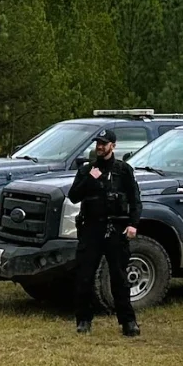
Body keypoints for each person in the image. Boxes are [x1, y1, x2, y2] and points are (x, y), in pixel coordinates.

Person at [67, 128, 143, 337]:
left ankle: (128, 322)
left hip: (116, 229)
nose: (100, 147)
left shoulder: (123, 171)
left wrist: (133, 224)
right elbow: (74, 196)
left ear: (113, 145)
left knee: (119, 277)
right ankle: (84, 320)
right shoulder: (86, 170)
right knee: (84, 276)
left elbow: (135, 200)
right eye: (98, 143)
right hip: (91, 229)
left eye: (104, 143)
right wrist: (91, 177)